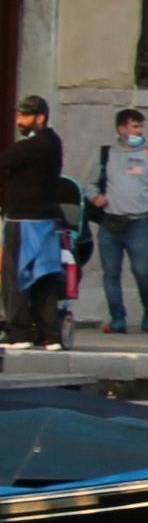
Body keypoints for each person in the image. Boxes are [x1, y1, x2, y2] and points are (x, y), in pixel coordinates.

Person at [0, 98, 64, 348]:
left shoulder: (35, 145)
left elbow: (5, 161)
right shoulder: (53, 142)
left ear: (40, 117)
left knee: (15, 277)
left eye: (25, 116)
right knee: (44, 277)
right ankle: (50, 334)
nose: (19, 121)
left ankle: (20, 333)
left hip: (24, 220)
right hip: (46, 220)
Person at [91, 107, 148, 335]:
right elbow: (89, 183)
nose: (139, 131)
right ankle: (117, 318)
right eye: (134, 126)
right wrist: (95, 197)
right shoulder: (107, 154)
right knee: (111, 273)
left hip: (140, 222)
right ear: (121, 129)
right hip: (111, 222)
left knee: (141, 270)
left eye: (141, 127)